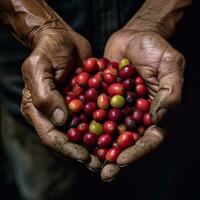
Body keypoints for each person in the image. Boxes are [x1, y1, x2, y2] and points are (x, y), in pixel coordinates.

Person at [0, 0, 193, 200]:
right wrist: (39, 29)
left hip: (163, 56)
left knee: (161, 178)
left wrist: (155, 22)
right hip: (32, 56)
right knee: (48, 182)